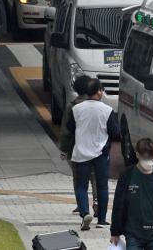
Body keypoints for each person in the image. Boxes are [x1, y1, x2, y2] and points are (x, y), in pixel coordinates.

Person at [66, 78, 119, 230]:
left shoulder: (77, 108)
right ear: (99, 91)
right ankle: (101, 220)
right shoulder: (107, 110)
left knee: (81, 185)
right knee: (102, 186)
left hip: (81, 152)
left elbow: (70, 128)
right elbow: (114, 132)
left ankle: (84, 213)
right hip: (100, 153)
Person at [110, 138, 153, 250]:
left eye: (152, 158)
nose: (149, 161)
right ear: (137, 155)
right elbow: (118, 203)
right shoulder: (127, 175)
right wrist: (115, 232)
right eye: (145, 158)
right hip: (133, 234)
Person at [60, 75, 98, 216]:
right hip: (95, 148)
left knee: (79, 178)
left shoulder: (72, 107)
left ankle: (81, 205)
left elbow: (66, 131)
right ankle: (97, 200)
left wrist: (64, 150)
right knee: (94, 176)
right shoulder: (99, 106)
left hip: (77, 148)